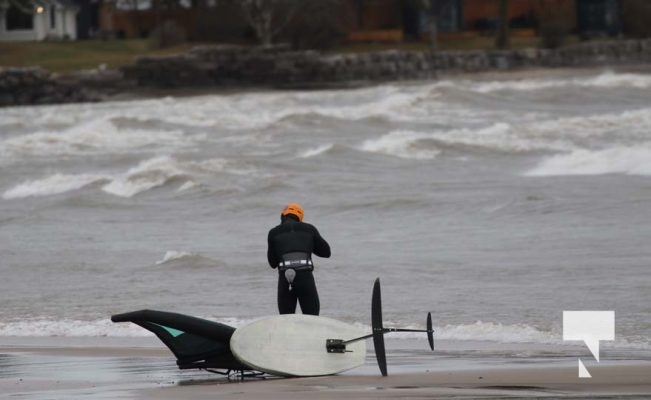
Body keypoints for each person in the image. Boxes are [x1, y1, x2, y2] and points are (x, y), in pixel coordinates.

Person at [267, 203, 330, 315]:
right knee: (312, 318)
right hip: (305, 277)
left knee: (286, 319)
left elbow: (272, 263)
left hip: (285, 278)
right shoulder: (309, 229)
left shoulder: (273, 232)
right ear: (299, 218)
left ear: (283, 216)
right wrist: (308, 244)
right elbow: (326, 252)